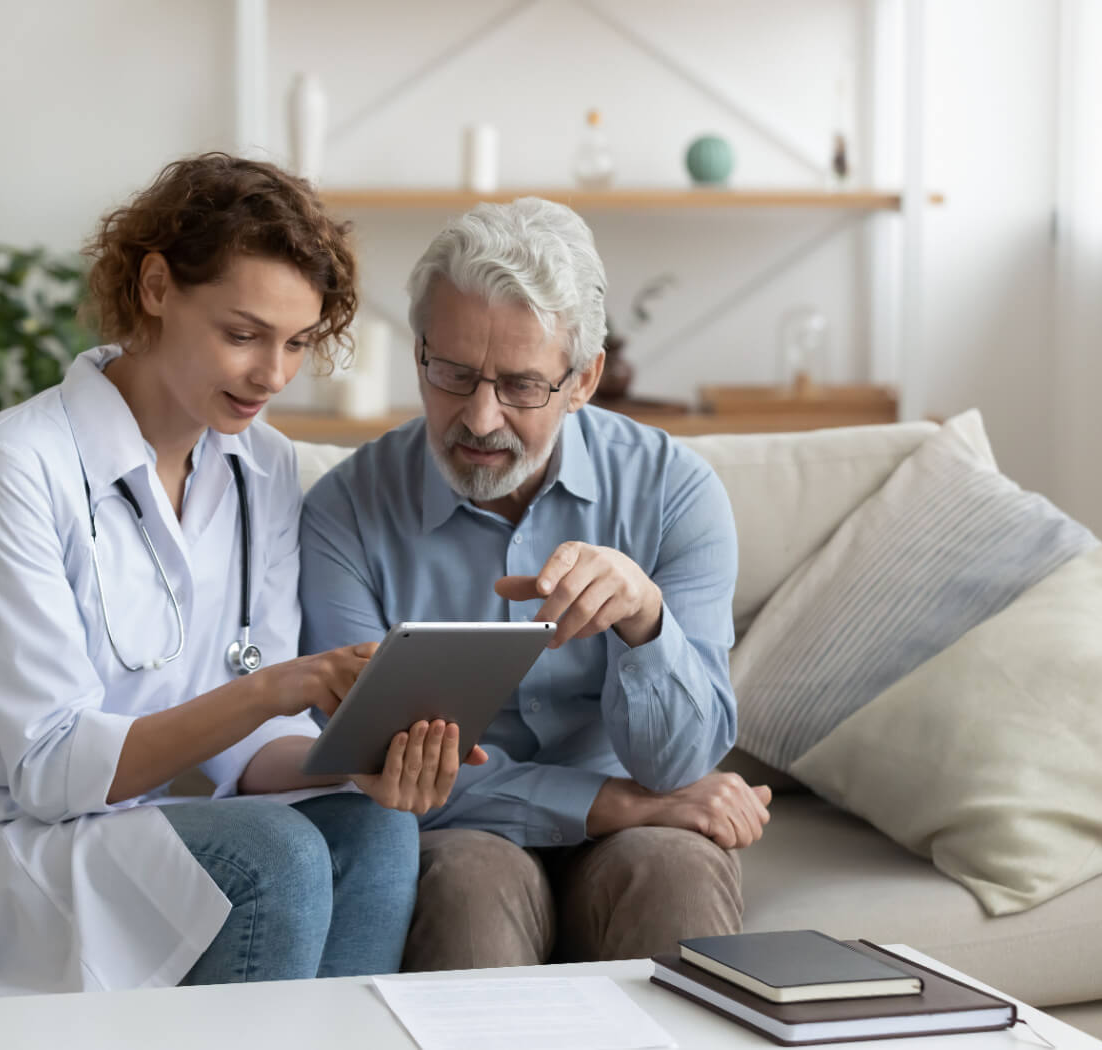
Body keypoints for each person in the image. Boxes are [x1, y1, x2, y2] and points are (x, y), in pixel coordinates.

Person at [0, 153, 480, 997]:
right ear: (158, 286)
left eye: (296, 344)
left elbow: (243, 752)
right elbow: (55, 772)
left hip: (116, 830)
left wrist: (356, 761)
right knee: (269, 855)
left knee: (374, 832)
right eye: (242, 335)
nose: (272, 377)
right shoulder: (20, 464)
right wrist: (286, 684)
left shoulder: (264, 467)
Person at [299, 197, 773, 972]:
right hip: (460, 835)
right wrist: (609, 803)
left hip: (641, 831)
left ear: (583, 378)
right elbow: (365, 768)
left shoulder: (674, 491)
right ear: (419, 350)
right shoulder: (344, 512)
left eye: (521, 386)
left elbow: (680, 765)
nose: (480, 418)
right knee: (467, 889)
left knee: (676, 869)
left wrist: (646, 620)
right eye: (452, 374)